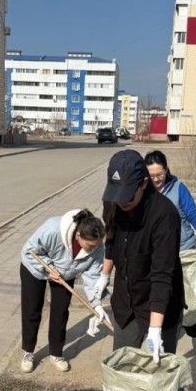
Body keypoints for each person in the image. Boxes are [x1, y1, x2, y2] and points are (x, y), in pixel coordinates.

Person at [97, 150, 185, 363]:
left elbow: (162, 276)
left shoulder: (165, 215)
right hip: (126, 303)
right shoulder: (114, 200)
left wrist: (155, 329)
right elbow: (111, 240)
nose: (121, 203)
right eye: (117, 196)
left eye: (128, 195)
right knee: (123, 364)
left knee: (158, 374)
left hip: (159, 304)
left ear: (144, 184)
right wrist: (104, 276)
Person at [144, 149, 196, 356]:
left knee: (189, 299)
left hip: (182, 251)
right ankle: (163, 332)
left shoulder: (178, 188)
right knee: (159, 296)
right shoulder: (144, 190)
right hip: (156, 255)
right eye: (152, 176)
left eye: (160, 174)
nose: (156, 179)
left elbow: (192, 213)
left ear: (167, 170)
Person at [20, 209, 108, 373]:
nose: (94, 248)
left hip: (65, 272)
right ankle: (28, 352)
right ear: (78, 235)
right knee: (32, 309)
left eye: (97, 245)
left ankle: (56, 353)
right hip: (35, 267)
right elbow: (29, 250)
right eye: (90, 245)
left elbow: (93, 277)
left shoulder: (98, 247)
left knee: (60, 312)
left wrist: (96, 305)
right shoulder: (53, 229)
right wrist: (47, 268)